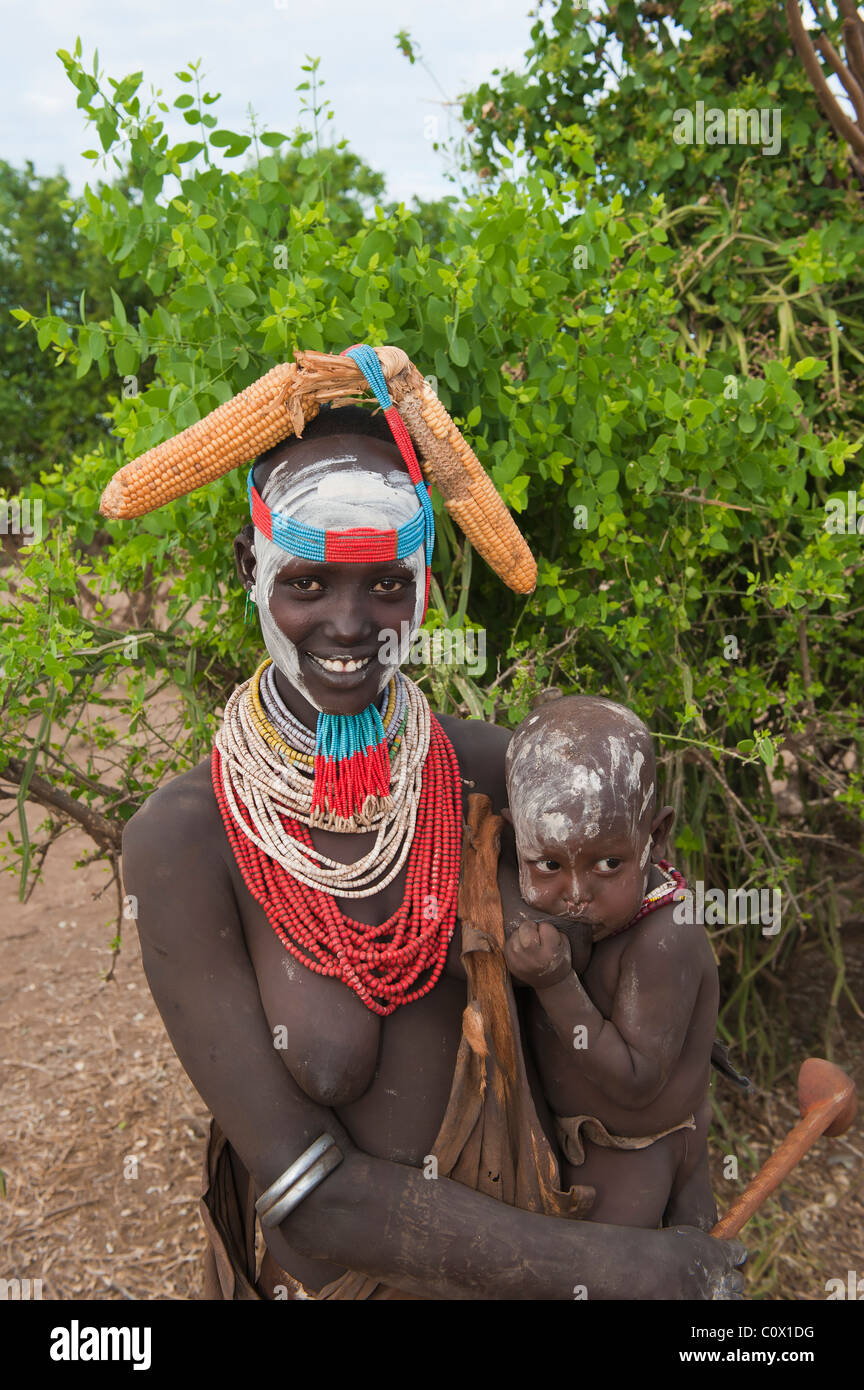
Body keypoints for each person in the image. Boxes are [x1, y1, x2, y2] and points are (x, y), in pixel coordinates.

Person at [114, 344, 746, 1299]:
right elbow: (308, 1194)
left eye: (386, 585)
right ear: (251, 567)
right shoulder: (185, 841)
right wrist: (611, 1268)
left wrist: (680, 1194)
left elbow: (655, 968)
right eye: (308, 582)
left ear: (425, 581)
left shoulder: (496, 770)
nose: (350, 623)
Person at [502, 695, 718, 1231]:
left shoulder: (665, 936)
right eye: (549, 863)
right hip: (581, 1143)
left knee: (622, 1278)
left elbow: (636, 1079)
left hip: (640, 1151)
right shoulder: (572, 917)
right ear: (515, 841)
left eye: (609, 863)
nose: (576, 894)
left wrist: (554, 983)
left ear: (656, 836)